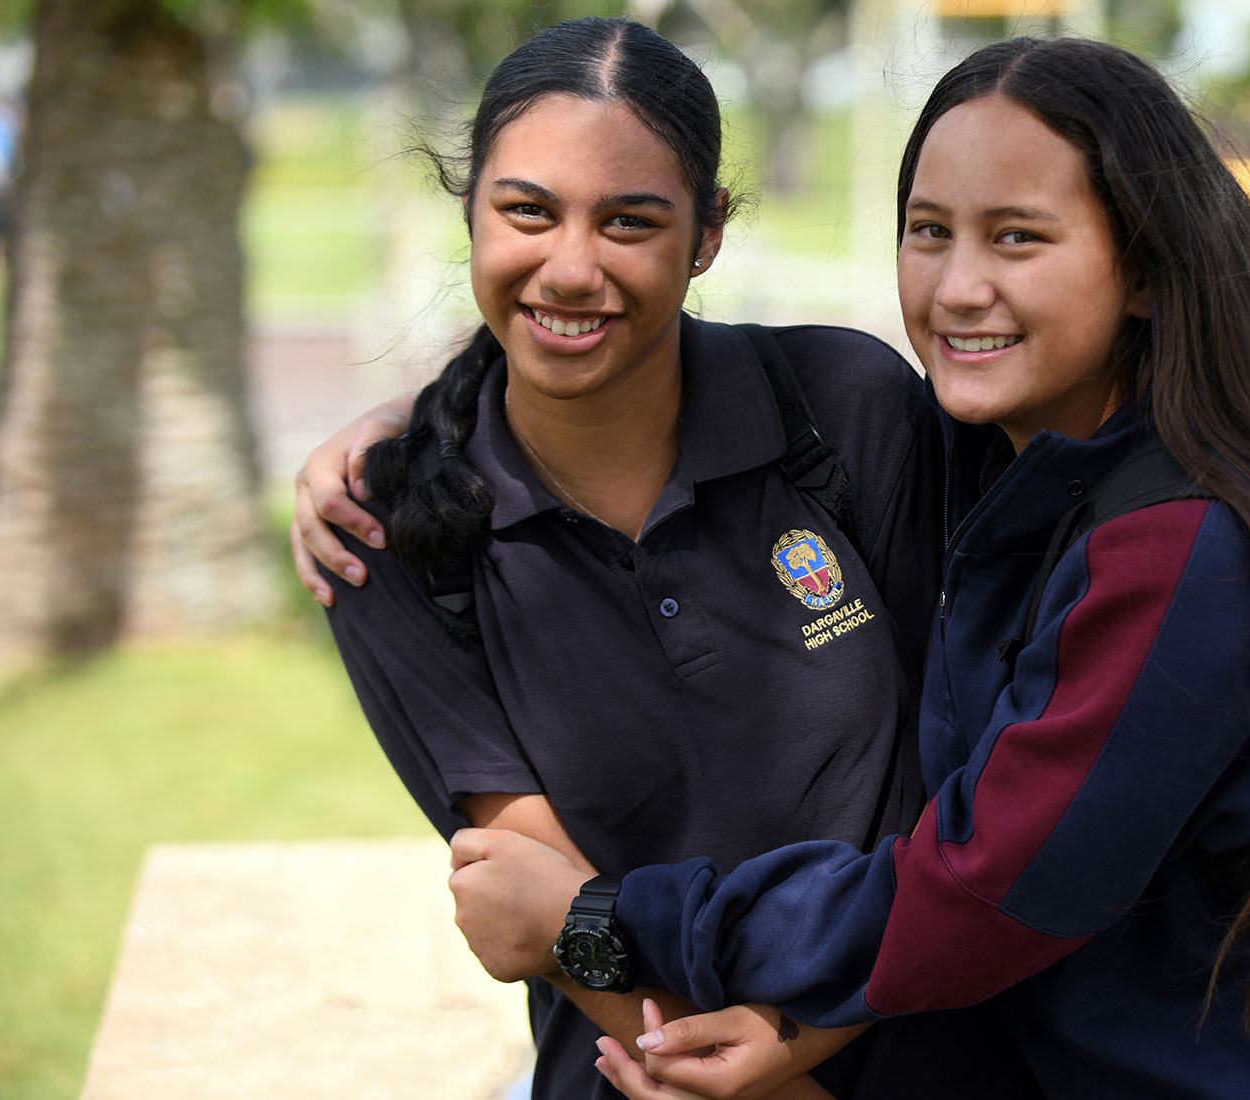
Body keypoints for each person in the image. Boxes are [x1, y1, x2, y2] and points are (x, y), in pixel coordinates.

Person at [435, 36, 1250, 1100]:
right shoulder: (1015, 463)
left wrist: (603, 914)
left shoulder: (1193, 543)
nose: (957, 287)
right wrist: (422, 428)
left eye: (1017, 237)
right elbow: (577, 367)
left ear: (1143, 267)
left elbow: (978, 888)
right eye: (929, 230)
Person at [294, 17, 1037, 1100]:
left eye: (629, 221)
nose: (571, 267)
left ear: (707, 234)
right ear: (470, 211)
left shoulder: (848, 411)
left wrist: (796, 1044)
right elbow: (544, 900)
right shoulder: (390, 532)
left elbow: (967, 787)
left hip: (938, 1047)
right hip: (643, 1071)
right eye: (527, 211)